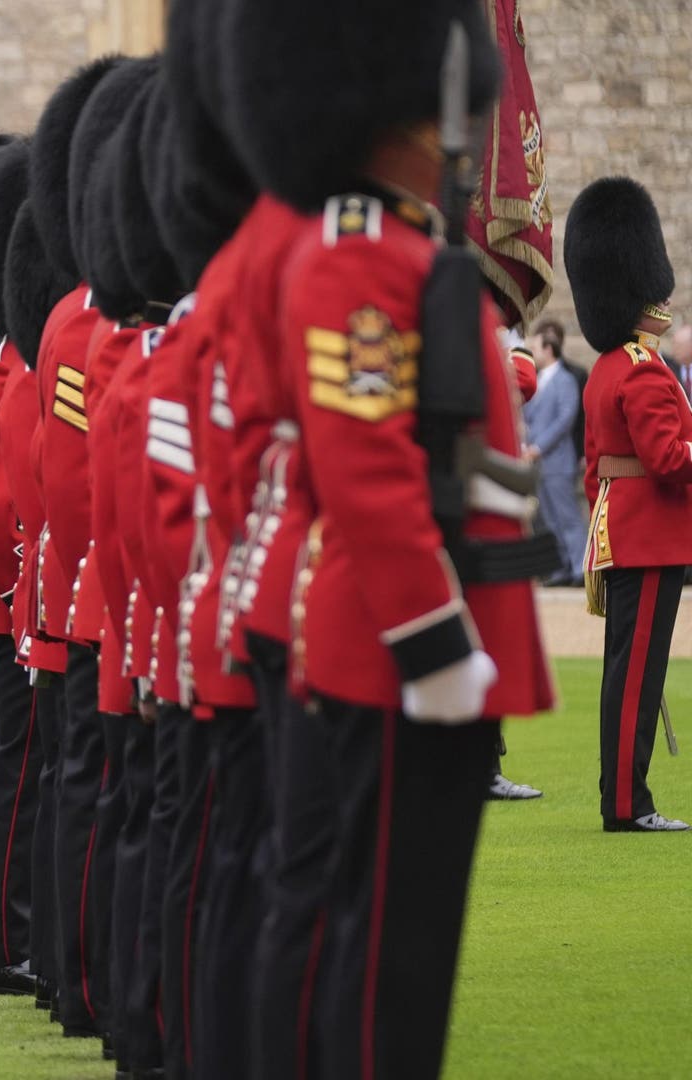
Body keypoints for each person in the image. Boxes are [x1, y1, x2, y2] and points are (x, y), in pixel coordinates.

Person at [223, 0, 556, 1074]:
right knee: (387, 955)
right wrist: (434, 641)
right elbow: (364, 469)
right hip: (394, 647)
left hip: (424, 623)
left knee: (402, 940)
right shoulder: (360, 254)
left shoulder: (400, 245)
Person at [570, 175, 690, 833]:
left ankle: (625, 797)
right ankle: (626, 804)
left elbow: (595, 471)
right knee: (635, 679)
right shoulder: (643, 368)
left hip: (626, 531)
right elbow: (670, 459)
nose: (663, 297)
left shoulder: (609, 367)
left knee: (631, 677)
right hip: (650, 537)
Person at [526, 322, 586, 585]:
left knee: (567, 515)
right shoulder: (537, 379)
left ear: (549, 349)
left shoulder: (565, 380)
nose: (532, 353)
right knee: (549, 518)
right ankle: (561, 568)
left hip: (558, 459)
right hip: (538, 461)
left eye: (536, 347)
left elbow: (565, 420)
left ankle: (580, 568)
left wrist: (538, 447)